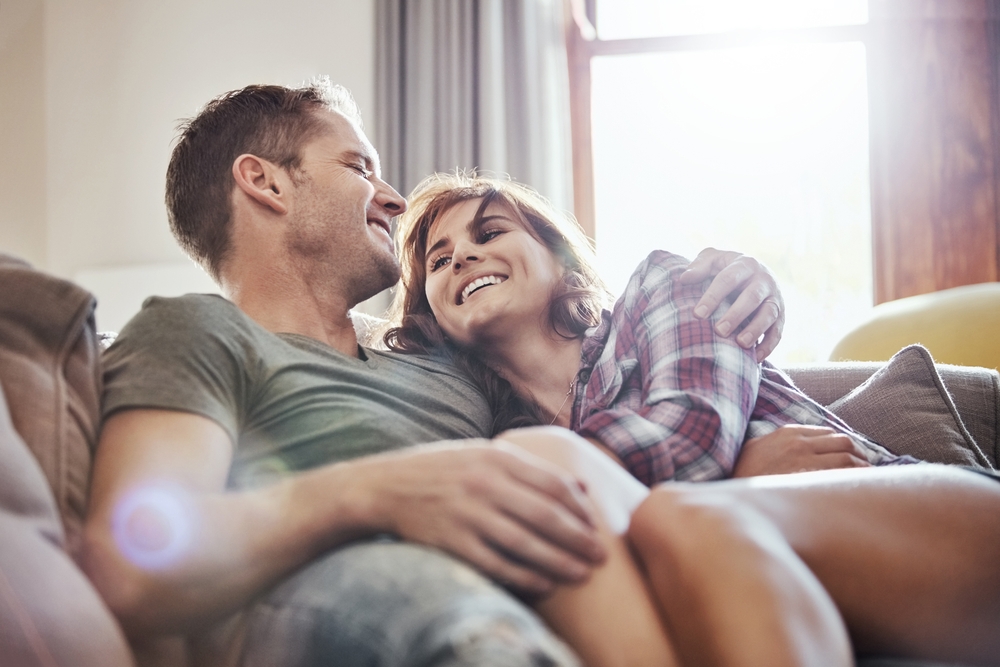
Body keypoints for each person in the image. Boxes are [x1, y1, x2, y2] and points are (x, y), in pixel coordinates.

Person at [81, 80, 792, 666]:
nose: (393, 199)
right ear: (264, 181)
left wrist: (737, 307)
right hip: (363, 596)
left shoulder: (451, 365)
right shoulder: (197, 330)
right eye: (359, 167)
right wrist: (374, 490)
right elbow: (131, 559)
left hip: (542, 579)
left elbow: (592, 393)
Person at [387, 172, 1000, 665]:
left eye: (489, 233)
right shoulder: (507, 440)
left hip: (933, 525)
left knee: (679, 513)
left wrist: (722, 475)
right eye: (439, 262)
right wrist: (747, 472)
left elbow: (694, 439)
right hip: (769, 585)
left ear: (561, 260)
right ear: (434, 319)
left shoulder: (667, 287)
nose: (463, 256)